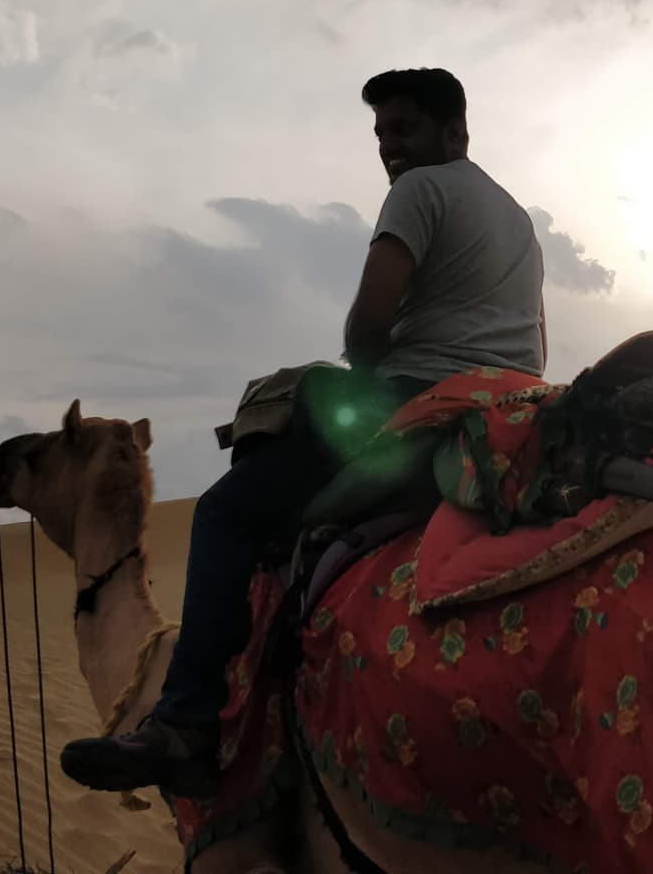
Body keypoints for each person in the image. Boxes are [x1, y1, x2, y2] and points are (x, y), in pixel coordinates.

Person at [59, 67, 547, 798]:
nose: (389, 148)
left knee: (225, 511)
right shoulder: (516, 217)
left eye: (404, 129)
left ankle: (185, 724)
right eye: (381, 134)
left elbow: (373, 320)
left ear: (455, 132)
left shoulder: (419, 190)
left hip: (425, 408)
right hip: (511, 412)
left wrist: (362, 365)